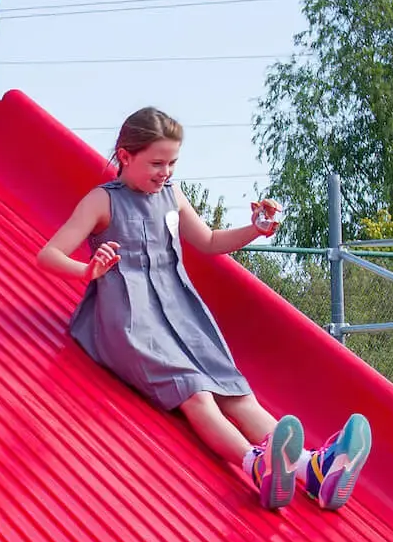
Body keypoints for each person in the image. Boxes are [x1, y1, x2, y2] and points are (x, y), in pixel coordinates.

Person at [35, 106, 371, 510]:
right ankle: (255, 466)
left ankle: (312, 471)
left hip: (181, 313)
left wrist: (255, 230)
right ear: (125, 155)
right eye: (156, 162)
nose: (166, 172)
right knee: (197, 394)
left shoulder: (172, 195)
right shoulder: (102, 202)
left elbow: (209, 241)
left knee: (235, 392)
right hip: (129, 321)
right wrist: (88, 270)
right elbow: (49, 254)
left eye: (172, 162)